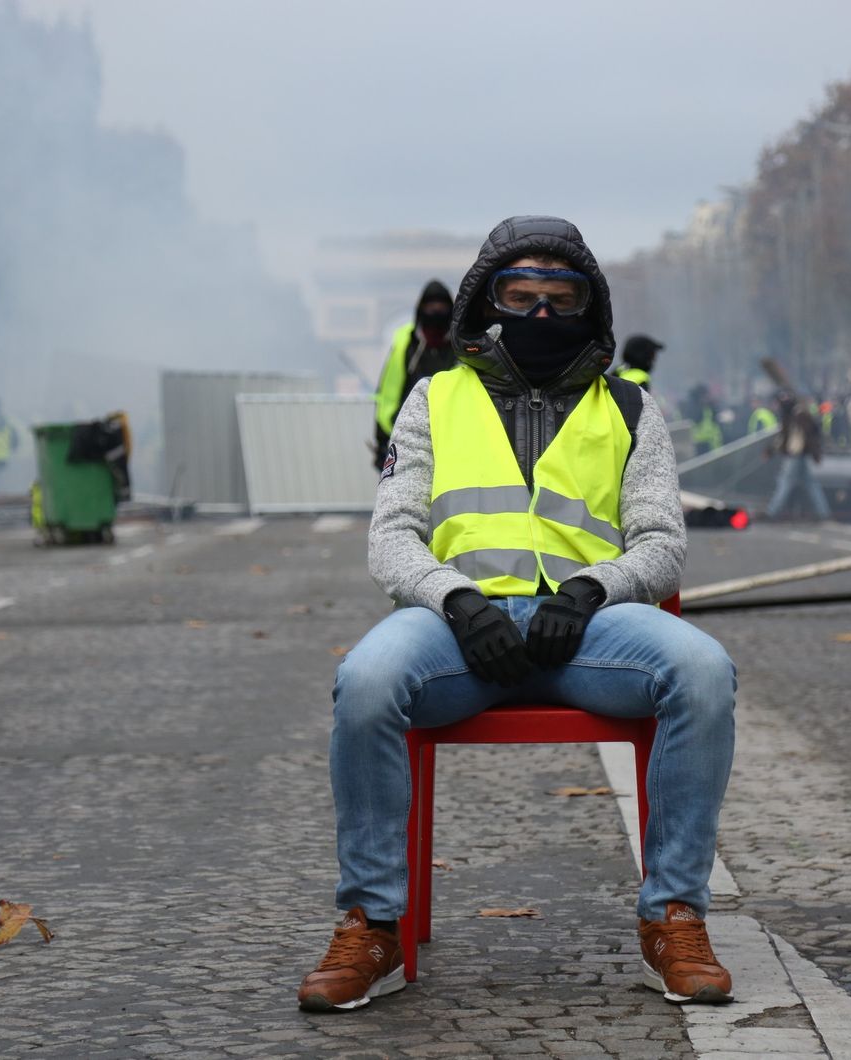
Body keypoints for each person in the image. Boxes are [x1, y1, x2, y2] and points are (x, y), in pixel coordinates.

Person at [297, 215, 736, 1013]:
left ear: (590, 307)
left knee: (703, 669)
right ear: (483, 300)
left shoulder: (632, 408)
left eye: (560, 299)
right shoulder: (435, 397)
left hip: (588, 631)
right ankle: (371, 924)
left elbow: (663, 544)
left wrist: (590, 591)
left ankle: (674, 917)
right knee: (364, 680)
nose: (539, 314)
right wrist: (457, 600)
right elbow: (391, 539)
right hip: (455, 632)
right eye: (519, 295)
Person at [372, 281, 457, 469]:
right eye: (430, 306)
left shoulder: (462, 347)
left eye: (441, 307)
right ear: (421, 309)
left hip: (452, 438)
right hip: (406, 437)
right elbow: (388, 395)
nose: (435, 312)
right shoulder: (405, 344)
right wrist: (382, 444)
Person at [763, 389, 830, 521]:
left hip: (795, 455)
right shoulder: (792, 414)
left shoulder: (798, 415)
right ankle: (824, 513)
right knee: (811, 484)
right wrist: (771, 450)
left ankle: (772, 512)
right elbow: (784, 437)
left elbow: (804, 437)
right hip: (799, 455)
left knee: (785, 482)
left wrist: (814, 453)